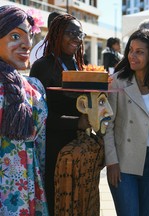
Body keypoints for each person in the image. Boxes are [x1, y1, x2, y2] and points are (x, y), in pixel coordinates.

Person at [104, 28, 149, 216]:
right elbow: (107, 124)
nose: (133, 55)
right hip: (124, 162)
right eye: (131, 50)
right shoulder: (116, 82)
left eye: (139, 52)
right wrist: (111, 162)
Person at [29, 14, 86, 215]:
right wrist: (77, 122)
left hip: (77, 148)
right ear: (57, 33)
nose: (77, 38)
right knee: (55, 203)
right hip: (52, 149)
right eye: (71, 32)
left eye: (80, 33)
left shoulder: (78, 64)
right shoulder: (42, 66)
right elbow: (39, 117)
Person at [0, 5, 48, 215]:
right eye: (15, 36)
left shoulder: (35, 87)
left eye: (28, 36)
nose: (27, 44)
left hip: (30, 187)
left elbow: (41, 146)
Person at [50, 86, 114, 216]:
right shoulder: (68, 155)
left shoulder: (94, 143)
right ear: (83, 105)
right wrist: (75, 123)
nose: (109, 111)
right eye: (101, 102)